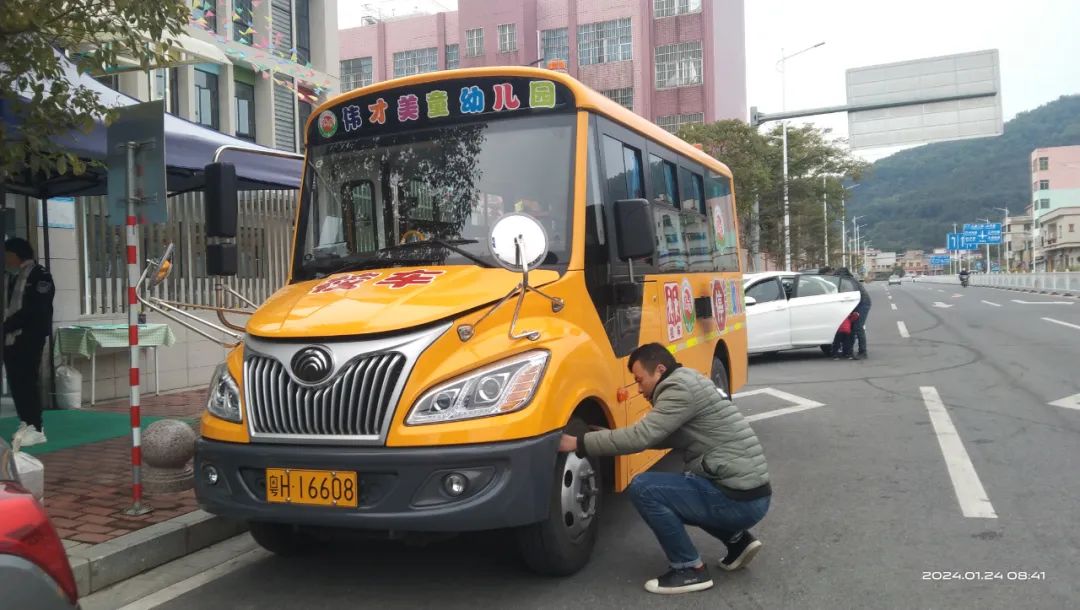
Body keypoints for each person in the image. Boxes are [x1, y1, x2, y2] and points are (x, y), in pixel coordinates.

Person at [558, 343, 771, 595]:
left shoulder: (677, 388)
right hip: (750, 494)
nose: (639, 388)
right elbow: (665, 437)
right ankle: (738, 541)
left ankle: (690, 569)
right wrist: (613, 437)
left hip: (740, 500)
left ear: (659, 369)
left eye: (640, 379)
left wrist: (580, 442)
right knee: (684, 488)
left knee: (645, 488)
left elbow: (643, 437)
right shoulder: (689, 380)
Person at [4, 238, 55, 447]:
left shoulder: (39, 275)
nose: (6, 259)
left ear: (17, 255)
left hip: (29, 336)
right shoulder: (12, 277)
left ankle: (37, 426)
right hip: (9, 338)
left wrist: (8, 325)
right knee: (16, 382)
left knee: (27, 381)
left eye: (8, 254)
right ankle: (25, 421)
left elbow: (36, 309)